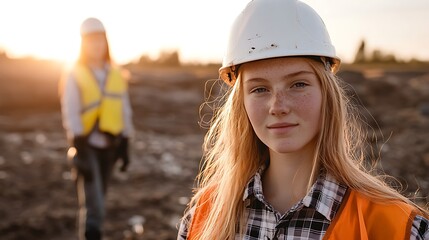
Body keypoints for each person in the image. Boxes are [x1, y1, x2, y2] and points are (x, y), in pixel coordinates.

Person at [177, 0, 429, 239]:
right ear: (241, 103)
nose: (278, 106)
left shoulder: (400, 228)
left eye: (298, 84)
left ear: (326, 94)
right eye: (259, 89)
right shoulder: (201, 218)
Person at [59, 17, 134, 240]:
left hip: (111, 147)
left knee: (98, 198)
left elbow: (124, 109)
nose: (96, 44)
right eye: (91, 40)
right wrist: (77, 143)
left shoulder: (116, 73)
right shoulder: (75, 73)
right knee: (95, 206)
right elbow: (70, 110)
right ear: (83, 43)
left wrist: (127, 141)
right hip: (86, 147)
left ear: (106, 42)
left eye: (100, 39)